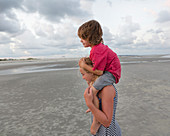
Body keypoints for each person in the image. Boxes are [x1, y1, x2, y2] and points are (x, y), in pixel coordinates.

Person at [78, 20, 121, 134]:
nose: (80, 40)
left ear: (90, 37)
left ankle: (96, 122)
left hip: (111, 73)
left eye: (83, 73)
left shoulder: (97, 50)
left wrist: (90, 105)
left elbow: (100, 72)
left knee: (93, 90)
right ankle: (95, 118)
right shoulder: (95, 50)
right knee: (93, 90)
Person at [79, 57, 121, 136]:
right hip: (100, 132)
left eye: (83, 74)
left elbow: (107, 122)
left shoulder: (107, 89)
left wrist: (89, 104)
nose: (83, 77)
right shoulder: (96, 87)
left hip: (108, 132)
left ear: (92, 72)